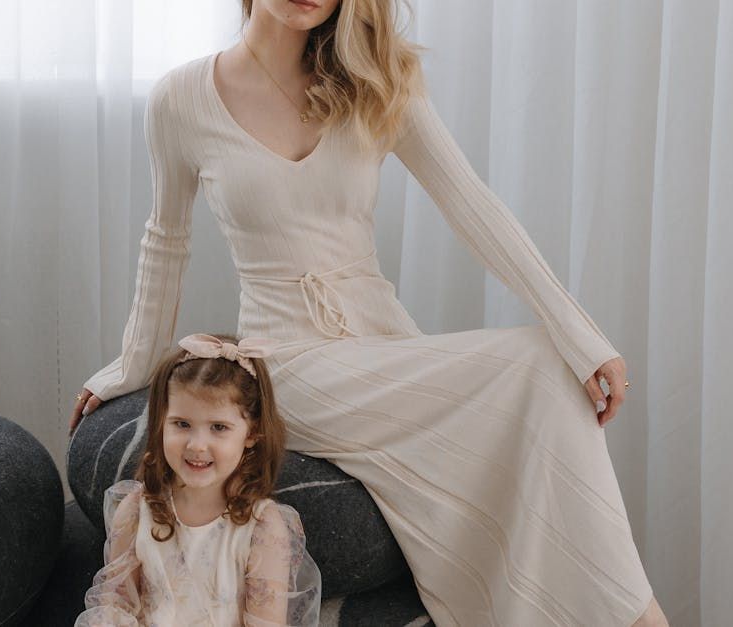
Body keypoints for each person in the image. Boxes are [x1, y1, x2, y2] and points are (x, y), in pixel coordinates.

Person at [70, 0, 669, 625]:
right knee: (538, 368)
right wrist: (132, 365)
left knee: (551, 371)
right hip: (291, 364)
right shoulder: (181, 99)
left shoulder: (375, 81)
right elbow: (165, 241)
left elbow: (474, 207)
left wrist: (582, 335)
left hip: (384, 342)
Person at [75, 332, 321, 626]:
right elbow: (115, 606)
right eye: (182, 424)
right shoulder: (136, 511)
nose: (197, 445)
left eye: (218, 427)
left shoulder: (262, 528)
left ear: (252, 433)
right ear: (160, 422)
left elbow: (266, 621)